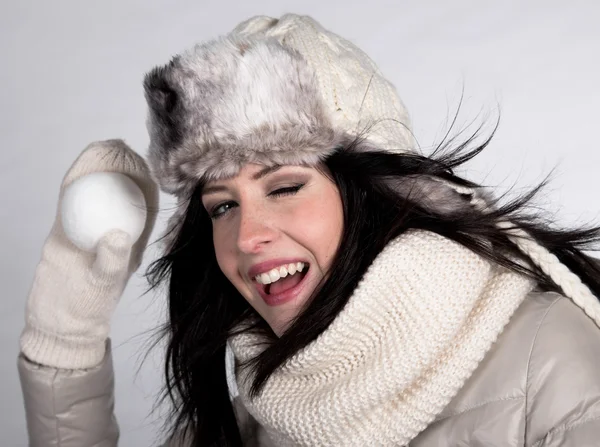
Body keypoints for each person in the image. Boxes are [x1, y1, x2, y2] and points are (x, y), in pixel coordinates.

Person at [17, 13, 600, 447]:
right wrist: (66, 339)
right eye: (222, 206)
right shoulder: (261, 408)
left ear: (372, 194)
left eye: (285, 187)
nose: (247, 236)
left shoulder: (549, 363)